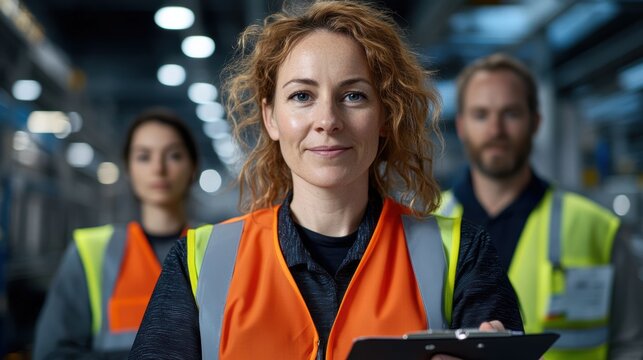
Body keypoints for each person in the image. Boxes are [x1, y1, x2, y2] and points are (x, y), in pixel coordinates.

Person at [129, 2, 523, 359]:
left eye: (353, 96)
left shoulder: (462, 255)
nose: (328, 121)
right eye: (302, 96)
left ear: (385, 116)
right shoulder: (199, 262)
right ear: (271, 118)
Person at [438, 53, 624, 359]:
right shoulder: (422, 227)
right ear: (461, 126)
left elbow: (632, 343)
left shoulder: (598, 228)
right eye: (481, 114)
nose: (496, 129)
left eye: (510, 113)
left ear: (535, 122)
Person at [33, 108, 199, 359]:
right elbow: (51, 354)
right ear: (129, 169)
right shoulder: (90, 252)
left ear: (193, 167)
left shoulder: (217, 250)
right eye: (144, 156)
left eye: (174, 155)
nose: (158, 168)